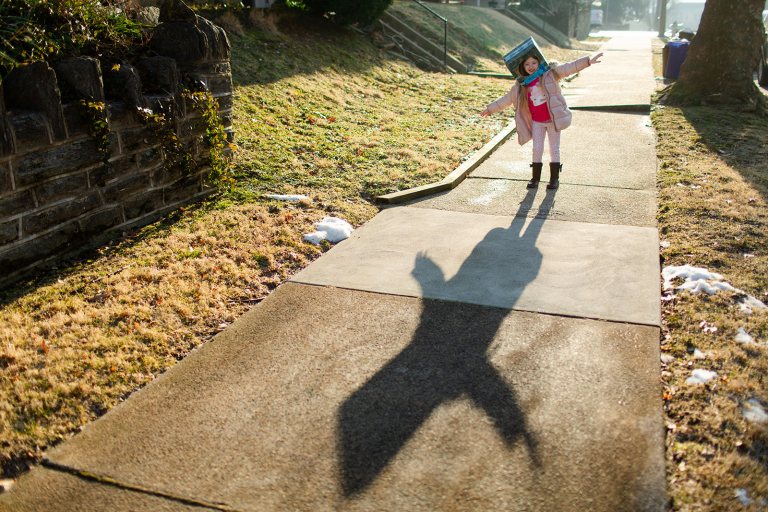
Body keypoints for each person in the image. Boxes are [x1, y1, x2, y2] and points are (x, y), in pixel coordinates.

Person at [481, 51, 603, 189]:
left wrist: (587, 61)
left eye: (534, 62)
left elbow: (568, 68)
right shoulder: (521, 83)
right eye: (527, 64)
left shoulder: (550, 73)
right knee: (537, 149)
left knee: (554, 149)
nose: (531, 66)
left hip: (553, 121)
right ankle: (535, 178)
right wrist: (490, 109)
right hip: (537, 122)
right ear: (522, 67)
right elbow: (507, 99)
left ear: (540, 62)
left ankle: (554, 178)